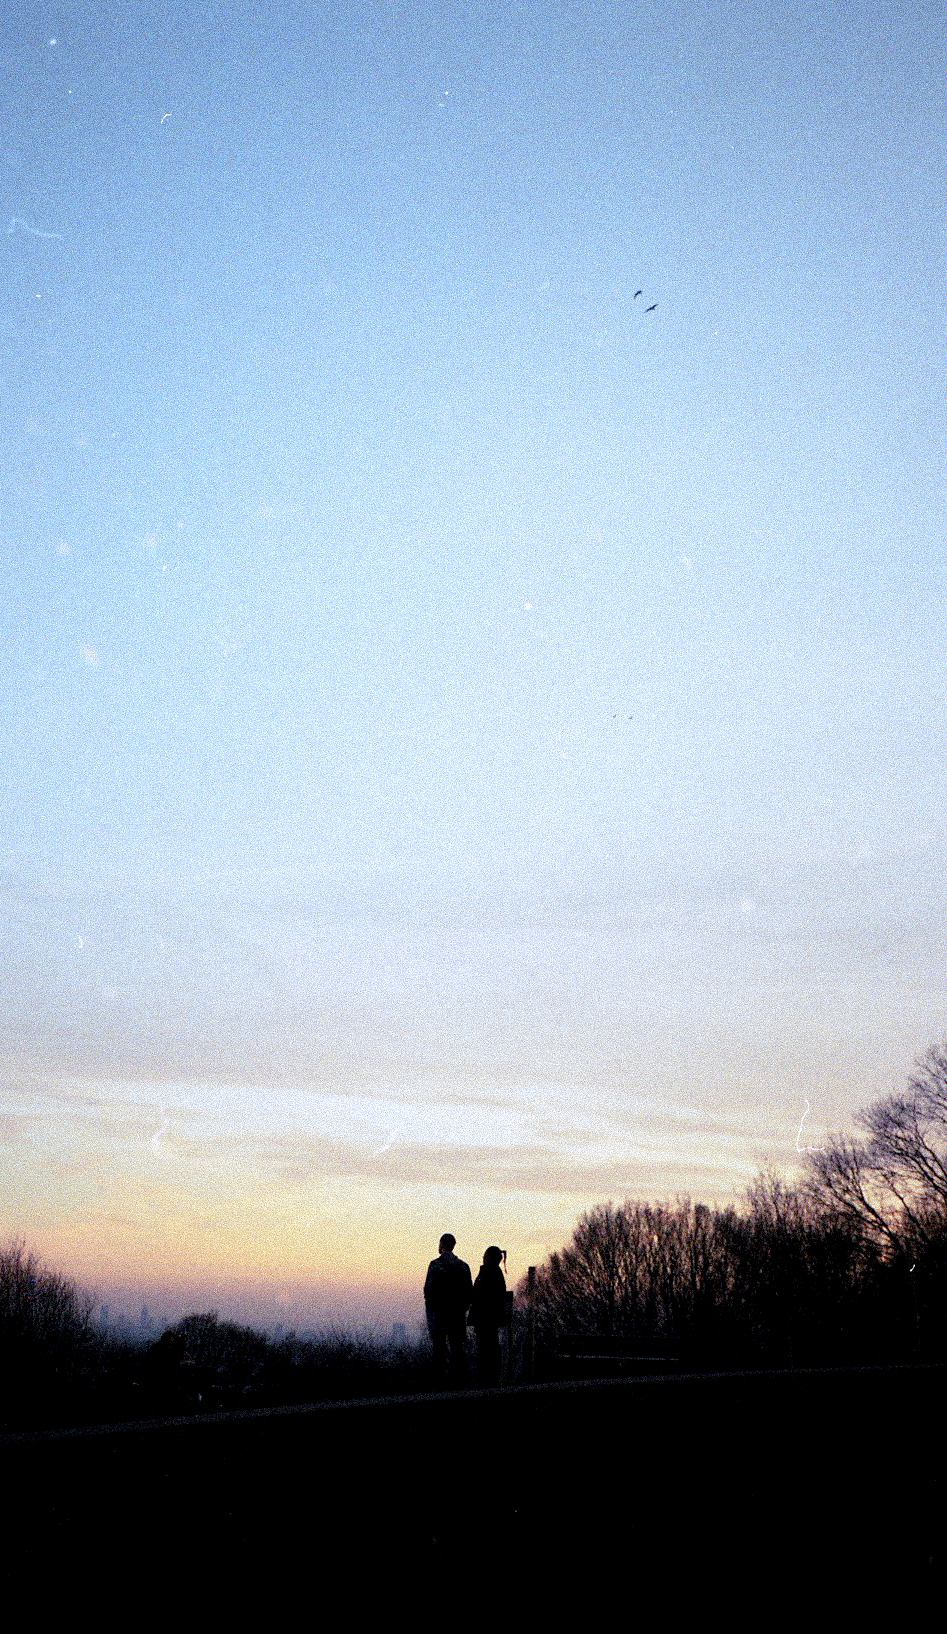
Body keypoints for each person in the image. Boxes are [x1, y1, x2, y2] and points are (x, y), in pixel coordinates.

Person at [424, 1233, 473, 1386]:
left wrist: (432, 1311)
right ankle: (458, 1380)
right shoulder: (463, 1267)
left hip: (440, 1314)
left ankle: (439, 1381)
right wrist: (462, 1308)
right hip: (457, 1314)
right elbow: (469, 1293)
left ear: (441, 1245)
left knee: (439, 1349)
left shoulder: (435, 1266)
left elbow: (428, 1291)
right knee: (457, 1347)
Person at [468, 1246, 508, 1387]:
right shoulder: (496, 1273)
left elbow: (480, 1295)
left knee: (486, 1348)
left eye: (485, 1256)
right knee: (490, 1347)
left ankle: (487, 1378)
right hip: (490, 1318)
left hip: (485, 1318)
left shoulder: (488, 1273)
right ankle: (490, 1377)